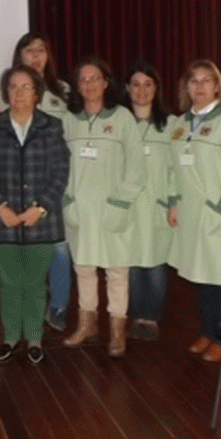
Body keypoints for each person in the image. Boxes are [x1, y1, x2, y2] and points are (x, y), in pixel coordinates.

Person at [0, 65, 69, 365]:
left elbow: (60, 173)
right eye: (13, 87)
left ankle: (34, 339)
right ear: (6, 93)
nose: (19, 93)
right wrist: (1, 207)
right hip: (3, 221)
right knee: (9, 283)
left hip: (40, 220)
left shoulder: (52, 126)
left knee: (35, 283)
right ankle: (10, 338)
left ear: (37, 93)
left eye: (26, 87)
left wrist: (40, 208)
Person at [167, 59, 221, 363]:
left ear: (217, 86)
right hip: (190, 214)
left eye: (206, 81)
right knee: (203, 274)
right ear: (186, 87)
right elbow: (172, 169)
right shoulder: (178, 125)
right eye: (193, 81)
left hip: (220, 215)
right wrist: (173, 202)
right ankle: (208, 330)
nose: (199, 87)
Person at [61, 57, 144, 358]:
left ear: (106, 82)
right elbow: (61, 165)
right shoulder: (69, 120)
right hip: (80, 208)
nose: (89, 85)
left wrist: (121, 202)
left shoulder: (122, 117)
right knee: (83, 268)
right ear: (77, 86)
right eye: (83, 80)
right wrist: (67, 199)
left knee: (117, 270)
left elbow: (136, 166)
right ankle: (88, 325)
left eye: (95, 78)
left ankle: (118, 332)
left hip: (114, 207)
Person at [0, 33, 72, 333]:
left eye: (42, 50)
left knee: (60, 249)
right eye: (30, 50)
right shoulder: (4, 93)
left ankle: (59, 306)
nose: (36, 56)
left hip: (53, 185)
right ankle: (26, 313)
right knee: (24, 254)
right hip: (17, 187)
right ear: (19, 55)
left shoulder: (62, 90)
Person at [124, 63, 175, 342]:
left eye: (148, 84)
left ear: (156, 89)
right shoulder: (119, 122)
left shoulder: (170, 125)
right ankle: (135, 316)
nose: (141, 90)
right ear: (127, 88)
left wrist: (173, 202)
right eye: (135, 83)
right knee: (132, 262)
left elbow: (177, 169)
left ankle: (151, 317)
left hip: (159, 204)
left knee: (155, 262)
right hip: (129, 205)